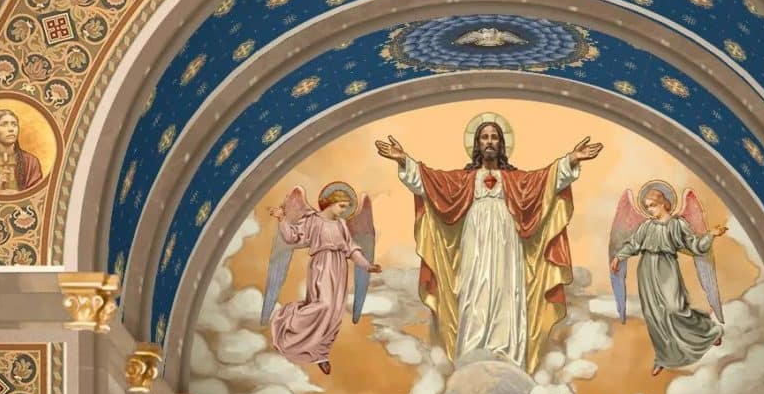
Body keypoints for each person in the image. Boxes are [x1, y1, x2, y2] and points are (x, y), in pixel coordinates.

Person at [375, 119, 602, 374]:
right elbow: (430, 182)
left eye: (494, 137)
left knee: (508, 293)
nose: (490, 141)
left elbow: (546, 181)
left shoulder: (516, 180)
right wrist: (403, 159)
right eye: (484, 137)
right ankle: (472, 357)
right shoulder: (464, 180)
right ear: (477, 144)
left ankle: (509, 361)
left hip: (508, 242)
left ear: (502, 144)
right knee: (475, 294)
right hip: (475, 241)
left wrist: (571, 158)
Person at [610, 186, 726, 376]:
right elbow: (634, 245)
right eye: (647, 207)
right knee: (654, 316)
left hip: (666, 268)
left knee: (675, 308)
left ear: (664, 203)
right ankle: (663, 357)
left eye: (653, 206)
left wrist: (711, 235)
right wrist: (619, 257)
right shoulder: (647, 226)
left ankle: (710, 332)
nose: (650, 210)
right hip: (646, 271)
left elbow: (695, 246)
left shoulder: (677, 224)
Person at [267, 187, 380, 376]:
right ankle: (287, 321)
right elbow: (292, 237)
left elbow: (351, 249)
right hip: (322, 266)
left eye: (345, 208)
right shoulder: (313, 220)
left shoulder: (341, 224)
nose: (343, 211)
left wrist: (367, 266)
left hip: (339, 268)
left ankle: (320, 353)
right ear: (331, 203)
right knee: (324, 305)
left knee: (335, 313)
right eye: (341, 206)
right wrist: (282, 219)